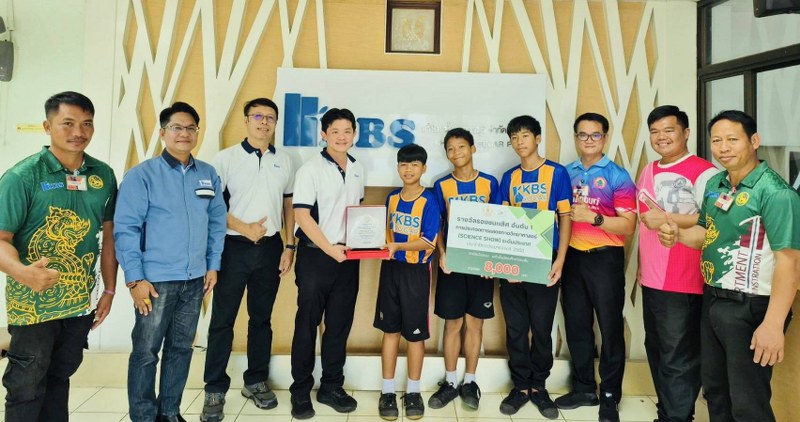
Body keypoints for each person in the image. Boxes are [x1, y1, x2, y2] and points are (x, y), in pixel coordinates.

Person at [658, 110, 800, 422]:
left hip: (752, 307)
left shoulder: (775, 193)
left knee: (748, 403)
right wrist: (678, 235)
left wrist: (773, 324)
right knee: (716, 393)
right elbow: (705, 233)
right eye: (717, 140)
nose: (723, 148)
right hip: (713, 300)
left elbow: (790, 262)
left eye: (732, 139)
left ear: (754, 141)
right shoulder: (717, 184)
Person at [0, 91, 118, 422]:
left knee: (60, 376)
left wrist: (109, 289)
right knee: (26, 383)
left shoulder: (103, 175)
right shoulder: (23, 177)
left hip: (79, 302)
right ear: (47, 126)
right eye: (67, 123)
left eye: (86, 123)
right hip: (33, 305)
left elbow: (109, 237)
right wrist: (22, 272)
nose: (78, 132)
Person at [114, 101, 227, 422]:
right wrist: (135, 279)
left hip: (194, 280)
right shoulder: (142, 176)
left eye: (191, 128)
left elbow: (216, 222)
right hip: (154, 282)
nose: (184, 134)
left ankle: (169, 413)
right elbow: (125, 229)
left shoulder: (207, 174)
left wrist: (213, 264)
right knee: (146, 352)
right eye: (177, 127)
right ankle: (143, 416)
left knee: (181, 349)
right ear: (163, 133)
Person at [201, 98, 296, 421]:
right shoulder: (225, 158)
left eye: (270, 117)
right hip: (233, 247)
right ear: (246, 120)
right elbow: (213, 205)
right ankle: (214, 388)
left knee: (261, 319)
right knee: (222, 320)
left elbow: (288, 205)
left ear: (275, 123)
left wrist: (289, 245)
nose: (264, 122)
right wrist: (245, 228)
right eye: (257, 116)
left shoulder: (284, 160)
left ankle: (255, 380)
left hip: (270, 249)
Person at [637, 105, 717, 422]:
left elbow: (714, 220)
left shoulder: (704, 172)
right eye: (655, 131)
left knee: (678, 356)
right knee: (656, 348)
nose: (661, 137)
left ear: (685, 133)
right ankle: (668, 412)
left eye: (669, 130)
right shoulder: (648, 169)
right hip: (652, 277)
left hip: (684, 278)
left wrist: (667, 218)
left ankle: (677, 417)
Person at [557, 113, 636, 422]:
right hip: (572, 258)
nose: (588, 140)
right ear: (575, 137)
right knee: (577, 326)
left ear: (605, 137)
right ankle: (584, 388)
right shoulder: (565, 173)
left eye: (595, 135)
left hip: (605, 259)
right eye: (583, 135)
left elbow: (628, 225)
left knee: (610, 328)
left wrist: (594, 218)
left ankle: (610, 395)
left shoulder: (618, 175)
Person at [290, 108, 364, 420]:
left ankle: (331, 386)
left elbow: (358, 213)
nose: (341, 137)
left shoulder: (358, 168)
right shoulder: (310, 169)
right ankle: (300, 391)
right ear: (323, 134)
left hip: (348, 259)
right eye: (335, 131)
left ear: (354, 134)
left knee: (338, 325)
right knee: (307, 325)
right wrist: (329, 249)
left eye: (347, 131)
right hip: (316, 257)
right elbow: (302, 216)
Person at [497, 115, 572, 418]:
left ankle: (539, 386)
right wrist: (505, 263)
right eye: (514, 137)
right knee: (516, 327)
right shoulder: (508, 177)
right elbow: (503, 221)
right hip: (513, 261)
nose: (519, 142)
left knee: (541, 327)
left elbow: (565, 217)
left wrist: (560, 259)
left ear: (538, 138)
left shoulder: (557, 173)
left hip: (545, 259)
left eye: (525, 136)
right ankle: (520, 386)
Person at [428, 128, 500, 411]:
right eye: (450, 148)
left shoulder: (490, 183)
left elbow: (499, 221)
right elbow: (437, 224)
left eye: (461, 147)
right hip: (453, 265)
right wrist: (442, 254)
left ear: (472, 148)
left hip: (481, 266)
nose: (456, 153)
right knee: (452, 324)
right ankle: (449, 381)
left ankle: (470, 382)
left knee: (475, 324)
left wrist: (491, 258)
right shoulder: (441, 185)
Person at [375, 144, 440, 421]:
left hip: (416, 273)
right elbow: (381, 232)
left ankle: (413, 391)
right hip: (390, 270)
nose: (409, 169)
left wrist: (398, 246)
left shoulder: (430, 200)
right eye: (404, 164)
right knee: (389, 330)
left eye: (414, 165)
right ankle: (387, 391)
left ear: (424, 168)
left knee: (415, 335)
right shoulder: (391, 198)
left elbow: (429, 241)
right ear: (398, 167)